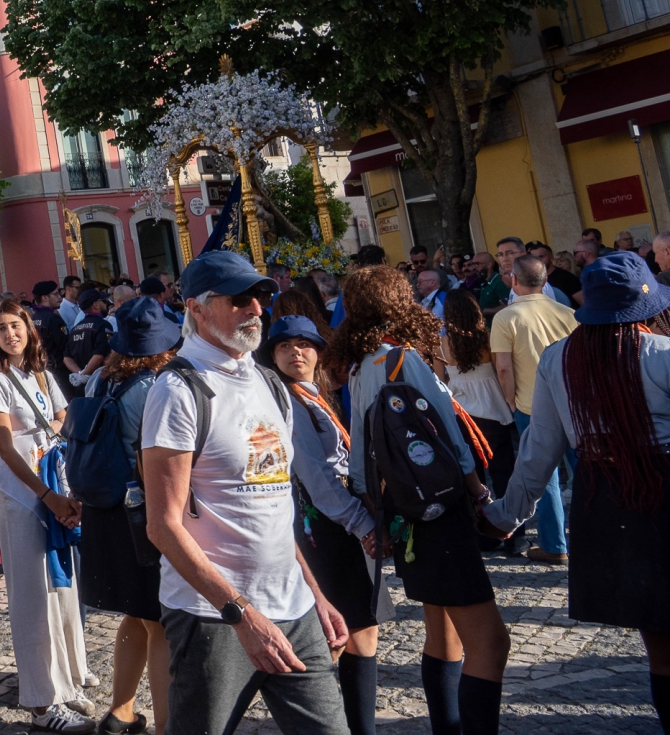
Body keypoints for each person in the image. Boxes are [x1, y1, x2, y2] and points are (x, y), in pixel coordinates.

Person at [140, 250, 351, 735]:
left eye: (260, 296)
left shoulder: (269, 383)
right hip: (213, 616)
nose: (256, 309)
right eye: (238, 299)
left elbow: (274, 508)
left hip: (293, 608)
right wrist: (240, 614)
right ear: (196, 308)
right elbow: (163, 526)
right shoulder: (178, 391)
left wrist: (314, 593)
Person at [480, 253, 670, 733]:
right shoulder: (662, 353)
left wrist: (504, 516)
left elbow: (538, 449)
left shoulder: (560, 358)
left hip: (605, 498)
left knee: (660, 643)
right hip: (660, 488)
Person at [326, 265, 509, 735]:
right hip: (439, 507)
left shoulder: (363, 365)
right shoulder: (401, 359)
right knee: (490, 643)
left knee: (443, 635)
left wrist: (374, 513)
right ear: (398, 304)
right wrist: (479, 493)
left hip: (407, 510)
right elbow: (451, 436)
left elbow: (362, 454)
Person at [0, 300, 96, 730]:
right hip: (21, 495)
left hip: (51, 485)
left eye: (16, 325)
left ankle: (69, 680)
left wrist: (47, 439)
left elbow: (63, 415)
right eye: (1, 328)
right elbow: (5, 446)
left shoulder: (39, 373)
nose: (10, 334)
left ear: (29, 329)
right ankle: (42, 702)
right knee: (33, 597)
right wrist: (46, 494)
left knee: (62, 586)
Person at [264, 315, 383, 735]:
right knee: (343, 634)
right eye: (284, 346)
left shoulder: (311, 396)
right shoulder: (291, 403)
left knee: (356, 632)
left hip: (334, 524)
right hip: (326, 529)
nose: (295, 352)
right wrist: (362, 524)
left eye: (304, 344)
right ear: (272, 356)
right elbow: (317, 478)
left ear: (318, 352)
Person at [81, 297, 179, 735]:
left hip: (104, 509)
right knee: (160, 622)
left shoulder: (99, 379)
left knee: (136, 617)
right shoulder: (157, 386)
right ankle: (166, 726)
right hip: (142, 514)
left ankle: (121, 712)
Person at [488, 254, 577, 564]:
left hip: (531, 405)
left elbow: (503, 367)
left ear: (514, 281)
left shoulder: (506, 317)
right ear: (545, 280)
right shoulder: (569, 313)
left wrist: (510, 400)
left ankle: (555, 543)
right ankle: (592, 535)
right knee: (582, 470)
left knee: (543, 477)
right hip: (572, 402)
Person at [438, 290, 517, 552]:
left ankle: (482, 535)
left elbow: (440, 380)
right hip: (492, 410)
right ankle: (513, 534)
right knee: (504, 473)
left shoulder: (442, 343)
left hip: (461, 414)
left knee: (473, 478)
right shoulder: (487, 337)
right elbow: (499, 370)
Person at [58, 289, 114, 398]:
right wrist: (85, 374)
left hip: (81, 387)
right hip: (100, 384)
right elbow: (99, 355)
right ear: (96, 305)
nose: (106, 304)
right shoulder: (103, 325)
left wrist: (80, 374)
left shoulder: (75, 328)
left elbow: (67, 357)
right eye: (103, 301)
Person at [34, 280, 74, 398]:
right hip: (59, 370)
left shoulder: (34, 317)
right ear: (45, 297)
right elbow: (65, 345)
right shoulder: (53, 319)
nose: (60, 298)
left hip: (42, 368)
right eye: (56, 294)